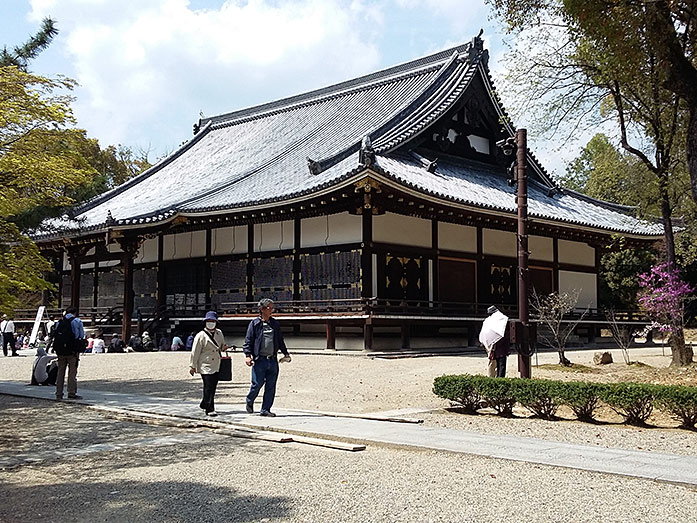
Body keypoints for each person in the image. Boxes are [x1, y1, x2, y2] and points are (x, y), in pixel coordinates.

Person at [243, 298, 291, 417]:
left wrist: (286, 353)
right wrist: (248, 356)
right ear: (262, 309)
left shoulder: (275, 323)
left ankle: (265, 409)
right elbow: (248, 341)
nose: (272, 310)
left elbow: (280, 340)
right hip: (260, 360)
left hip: (272, 359)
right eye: (269, 307)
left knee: (271, 386)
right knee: (257, 384)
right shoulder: (254, 324)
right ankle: (250, 400)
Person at [189, 311, 228, 417]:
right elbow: (195, 352)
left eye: (213, 321)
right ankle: (209, 408)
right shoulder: (200, 336)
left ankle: (205, 403)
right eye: (209, 321)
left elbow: (221, 345)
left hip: (216, 362)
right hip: (205, 363)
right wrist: (192, 366)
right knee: (208, 386)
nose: (211, 323)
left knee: (213, 386)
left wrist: (224, 347)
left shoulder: (219, 333)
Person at [54, 307, 86, 400]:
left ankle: (59, 393)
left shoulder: (59, 322)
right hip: (72, 350)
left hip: (60, 350)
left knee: (60, 372)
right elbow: (80, 335)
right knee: (72, 372)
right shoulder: (77, 321)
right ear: (74, 313)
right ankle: (71, 392)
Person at [480, 306, 510, 378]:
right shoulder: (500, 323)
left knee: (492, 365)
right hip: (501, 349)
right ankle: (500, 379)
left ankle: (492, 378)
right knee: (501, 366)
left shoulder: (488, 323)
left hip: (493, 349)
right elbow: (505, 336)